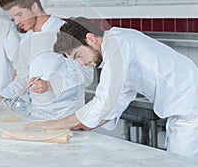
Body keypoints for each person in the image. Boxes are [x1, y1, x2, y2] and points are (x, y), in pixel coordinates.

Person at [25, 17, 198, 158]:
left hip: (190, 110)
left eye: (79, 55)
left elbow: (105, 99)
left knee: (181, 162)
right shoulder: (117, 50)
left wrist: (59, 123)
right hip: (183, 112)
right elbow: (118, 98)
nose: (82, 63)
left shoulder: (117, 42)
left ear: (90, 39)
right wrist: (80, 124)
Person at [0, 0, 93, 119]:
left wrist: (50, 85)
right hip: (37, 115)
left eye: (19, 14)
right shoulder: (26, 39)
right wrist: (0, 96)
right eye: (13, 17)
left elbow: (86, 76)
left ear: (34, 6)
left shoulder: (65, 32)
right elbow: (22, 79)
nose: (17, 22)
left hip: (67, 115)